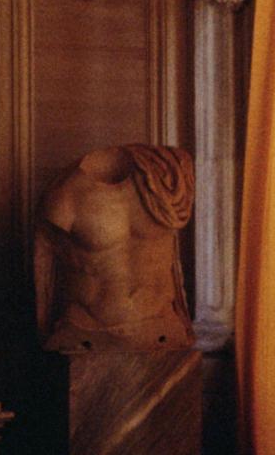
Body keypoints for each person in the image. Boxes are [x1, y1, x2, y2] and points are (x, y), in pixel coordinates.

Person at [34, 144, 194, 351]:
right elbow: (45, 268)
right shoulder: (65, 194)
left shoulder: (169, 180)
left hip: (163, 327)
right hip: (86, 331)